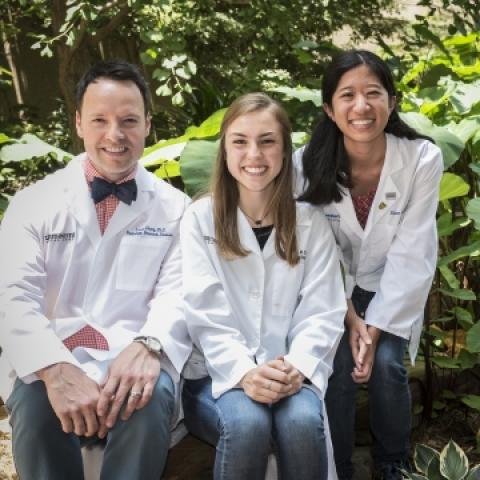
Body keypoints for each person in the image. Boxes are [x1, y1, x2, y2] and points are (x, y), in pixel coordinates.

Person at [0, 60, 191, 480]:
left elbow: (177, 293)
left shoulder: (175, 209)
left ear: (147, 125)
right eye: (100, 120)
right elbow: (12, 299)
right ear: (79, 124)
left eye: (128, 121)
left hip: (134, 352)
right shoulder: (33, 203)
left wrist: (149, 345)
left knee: (148, 395)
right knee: (34, 407)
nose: (115, 135)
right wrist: (53, 367)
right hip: (53, 351)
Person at [180, 92, 346, 480]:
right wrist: (243, 372)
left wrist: (297, 366)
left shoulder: (311, 223)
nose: (254, 154)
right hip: (217, 375)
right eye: (240, 141)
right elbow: (204, 311)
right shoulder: (199, 219)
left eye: (267, 141)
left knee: (302, 424)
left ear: (286, 151)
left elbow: (323, 310)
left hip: (292, 372)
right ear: (224, 150)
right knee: (246, 424)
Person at [294, 50, 443, 480]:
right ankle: (337, 468)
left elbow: (414, 250)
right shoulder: (306, 164)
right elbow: (310, 250)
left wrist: (374, 327)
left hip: (391, 284)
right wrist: (348, 315)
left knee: (388, 364)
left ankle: (392, 463)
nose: (361, 107)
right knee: (336, 365)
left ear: (392, 102)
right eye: (347, 95)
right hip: (327, 285)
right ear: (329, 108)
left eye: (373, 93)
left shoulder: (421, 159)